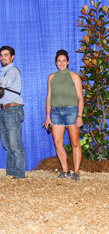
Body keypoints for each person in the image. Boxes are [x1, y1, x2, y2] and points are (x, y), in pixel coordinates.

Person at [42, 50, 84, 181]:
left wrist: (80, 116)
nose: (61, 63)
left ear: (68, 62)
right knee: (58, 142)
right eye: (59, 61)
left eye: (63, 60)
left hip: (72, 111)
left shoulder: (74, 76)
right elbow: (49, 98)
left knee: (75, 143)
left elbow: (80, 98)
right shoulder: (51, 77)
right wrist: (47, 116)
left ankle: (76, 171)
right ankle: (65, 170)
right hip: (55, 112)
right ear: (56, 63)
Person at [0, 46, 26, 179]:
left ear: (12, 57)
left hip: (13, 109)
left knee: (15, 143)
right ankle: (10, 172)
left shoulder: (12, 70)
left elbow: (7, 82)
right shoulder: (4, 71)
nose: (2, 57)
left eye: (5, 55)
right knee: (7, 144)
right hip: (5, 109)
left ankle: (18, 174)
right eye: (1, 55)